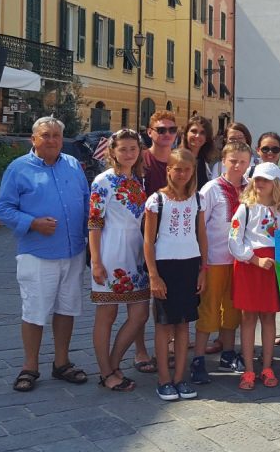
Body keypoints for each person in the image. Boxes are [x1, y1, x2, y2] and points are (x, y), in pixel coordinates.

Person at [0, 116, 90, 393]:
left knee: (67, 309)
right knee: (35, 311)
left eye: (56, 136)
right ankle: (30, 366)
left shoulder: (72, 165)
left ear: (62, 139)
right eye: (45, 135)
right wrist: (32, 223)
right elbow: (3, 209)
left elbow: (85, 203)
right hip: (37, 253)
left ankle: (62, 363)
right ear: (33, 139)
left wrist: (92, 240)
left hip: (72, 251)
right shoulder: (18, 168)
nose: (51, 140)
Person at [143, 149, 208, 402]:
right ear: (168, 170)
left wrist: (203, 269)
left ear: (193, 171)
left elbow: (201, 236)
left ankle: (180, 377)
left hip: (189, 265)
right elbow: (148, 241)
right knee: (163, 324)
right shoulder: (156, 200)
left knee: (183, 324)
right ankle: (163, 379)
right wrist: (153, 276)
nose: (182, 174)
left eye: (187, 169)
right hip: (165, 266)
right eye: (177, 168)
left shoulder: (198, 199)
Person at [88, 129, 150, 393]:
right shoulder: (102, 181)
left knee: (140, 313)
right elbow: (94, 222)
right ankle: (106, 371)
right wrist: (96, 260)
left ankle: (112, 364)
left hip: (135, 252)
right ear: (112, 151)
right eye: (123, 149)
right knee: (107, 313)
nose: (128, 153)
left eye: (133, 149)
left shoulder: (137, 181)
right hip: (111, 250)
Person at [230, 162, 280, 390]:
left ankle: (268, 366)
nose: (260, 183)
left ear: (275, 183)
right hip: (250, 267)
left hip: (273, 268)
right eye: (257, 179)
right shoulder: (245, 208)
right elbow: (234, 241)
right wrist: (254, 259)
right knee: (248, 319)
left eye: (265, 180)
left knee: (269, 318)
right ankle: (248, 369)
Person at [192, 141, 251, 382]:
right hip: (214, 260)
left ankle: (228, 353)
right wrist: (201, 264)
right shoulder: (211, 189)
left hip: (239, 261)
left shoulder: (251, 189)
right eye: (233, 160)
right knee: (209, 309)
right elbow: (200, 228)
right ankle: (198, 359)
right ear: (223, 161)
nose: (238, 166)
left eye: (243, 161)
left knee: (233, 309)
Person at [136, 110, 179, 374]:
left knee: (171, 293)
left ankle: (170, 345)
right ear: (150, 132)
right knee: (141, 296)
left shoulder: (179, 160)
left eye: (171, 130)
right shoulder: (142, 159)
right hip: (142, 235)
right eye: (160, 130)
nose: (166, 134)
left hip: (174, 236)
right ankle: (141, 351)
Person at [181, 114, 216, 189]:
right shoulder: (177, 158)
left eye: (202, 133)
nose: (197, 136)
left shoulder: (208, 162)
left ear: (207, 138)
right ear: (186, 134)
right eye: (194, 131)